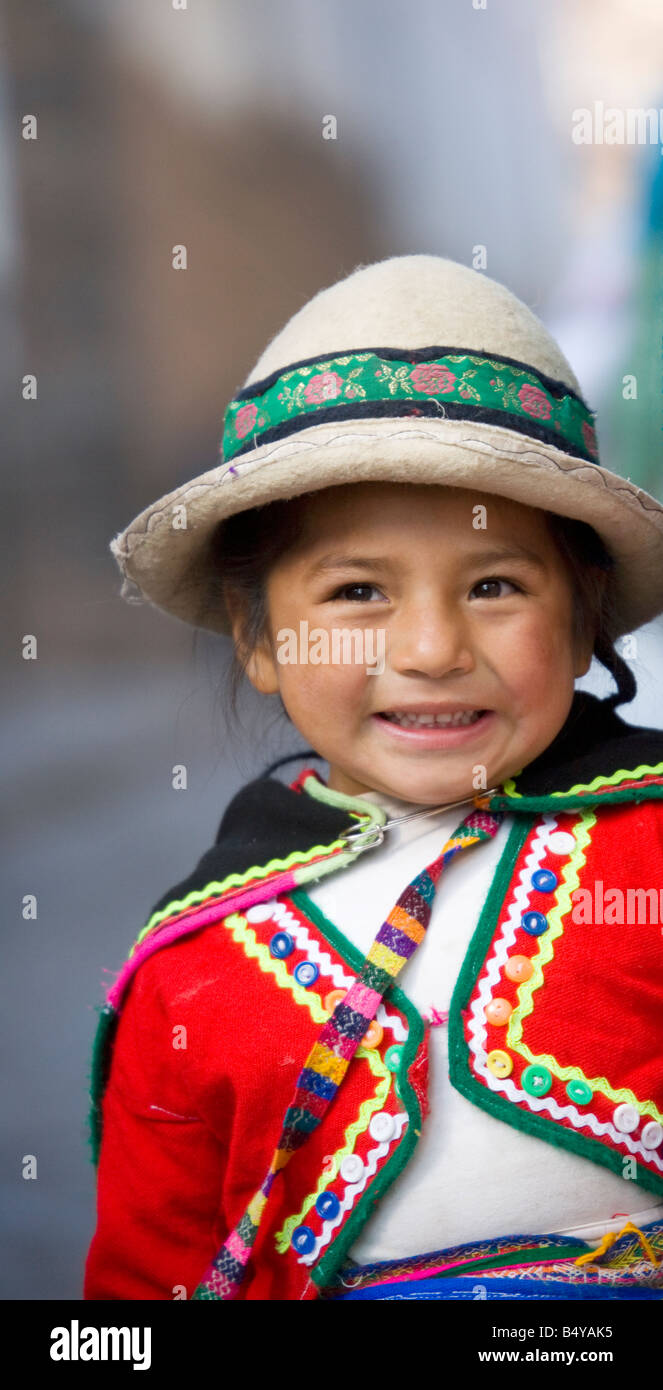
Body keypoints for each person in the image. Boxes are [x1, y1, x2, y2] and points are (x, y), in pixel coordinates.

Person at [84, 254, 663, 1301]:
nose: (434, 648)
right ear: (258, 639)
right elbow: (143, 1281)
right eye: (358, 591)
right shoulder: (196, 969)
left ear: (582, 622)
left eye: (494, 584)